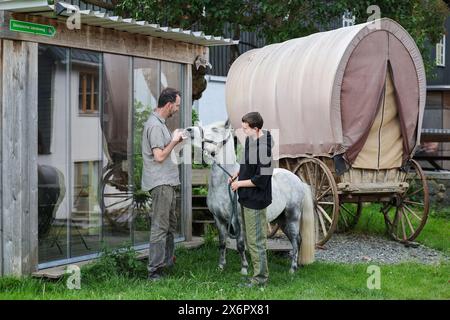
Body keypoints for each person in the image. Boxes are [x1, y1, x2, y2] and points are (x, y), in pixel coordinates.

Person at [142, 87, 185, 281]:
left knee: (169, 225)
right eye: (176, 105)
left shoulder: (161, 124)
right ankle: (154, 271)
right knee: (160, 227)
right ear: (168, 105)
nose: (177, 109)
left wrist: (175, 138)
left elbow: (163, 150)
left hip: (167, 182)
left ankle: (167, 261)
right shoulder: (155, 126)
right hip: (160, 184)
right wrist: (174, 142)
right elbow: (159, 156)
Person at [229, 111, 273, 287]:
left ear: (256, 128)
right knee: (250, 239)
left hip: (256, 199)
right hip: (246, 198)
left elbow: (261, 179)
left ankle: (260, 278)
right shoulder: (250, 141)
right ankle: (258, 274)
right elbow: (246, 164)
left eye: (246, 128)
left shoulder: (265, 149)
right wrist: (236, 174)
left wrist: (239, 184)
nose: (243, 130)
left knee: (256, 241)